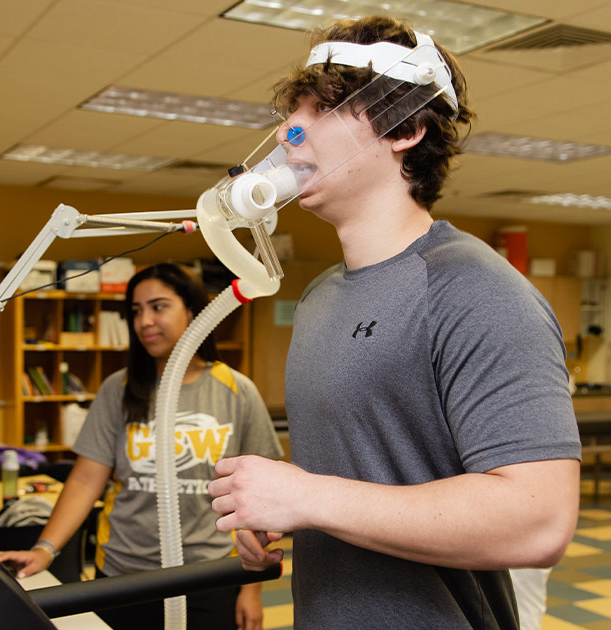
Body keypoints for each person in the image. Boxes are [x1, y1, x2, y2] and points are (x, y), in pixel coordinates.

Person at [206, 16, 582, 630]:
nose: (287, 130)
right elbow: (365, 481)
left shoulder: (475, 290)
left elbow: (537, 520)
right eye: (292, 108)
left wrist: (310, 497)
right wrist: (287, 510)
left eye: (322, 107)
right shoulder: (322, 297)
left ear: (406, 128)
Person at [0, 262, 282, 630]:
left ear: (195, 311)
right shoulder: (118, 389)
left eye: (158, 306)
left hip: (208, 576)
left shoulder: (237, 390)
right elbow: (86, 480)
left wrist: (251, 587)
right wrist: (44, 549)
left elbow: (261, 498)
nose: (145, 321)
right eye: (136, 311)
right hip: (124, 574)